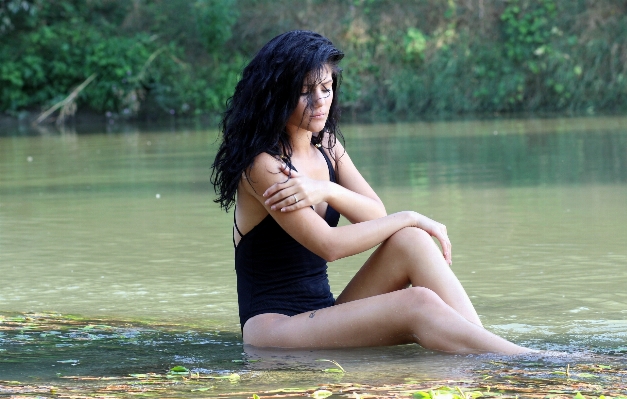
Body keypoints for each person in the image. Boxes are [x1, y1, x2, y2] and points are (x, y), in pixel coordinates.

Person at [211, 30, 532, 354]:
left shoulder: (328, 148)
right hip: (274, 331)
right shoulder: (263, 166)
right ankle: (530, 364)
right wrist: (410, 216)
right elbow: (329, 246)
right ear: (278, 94)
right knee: (416, 302)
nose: (321, 101)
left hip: (322, 314)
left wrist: (327, 190)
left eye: (326, 88)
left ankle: (486, 354)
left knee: (411, 240)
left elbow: (375, 214)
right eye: (306, 92)